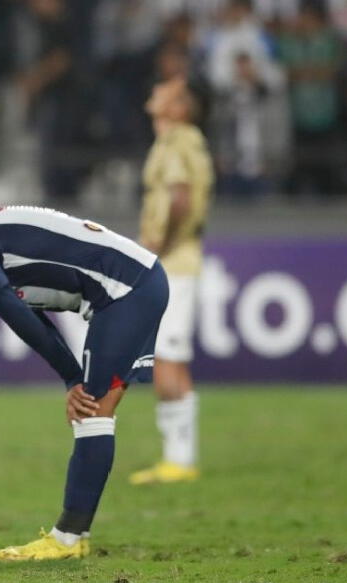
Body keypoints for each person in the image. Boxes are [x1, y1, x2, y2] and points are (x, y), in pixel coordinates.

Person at [0, 205, 168, 560]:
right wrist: (72, 375)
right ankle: (73, 536)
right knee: (95, 413)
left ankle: (67, 539)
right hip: (136, 281)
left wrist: (71, 377)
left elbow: (15, 313)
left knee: (91, 414)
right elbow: (25, 305)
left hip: (125, 289)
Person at [130, 77, 214, 485]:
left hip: (174, 264)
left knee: (165, 357)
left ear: (178, 108)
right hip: (178, 261)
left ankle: (178, 459)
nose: (154, 92)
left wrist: (159, 245)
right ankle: (179, 456)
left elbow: (179, 198)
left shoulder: (178, 141)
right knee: (170, 359)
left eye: (164, 91)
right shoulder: (181, 140)